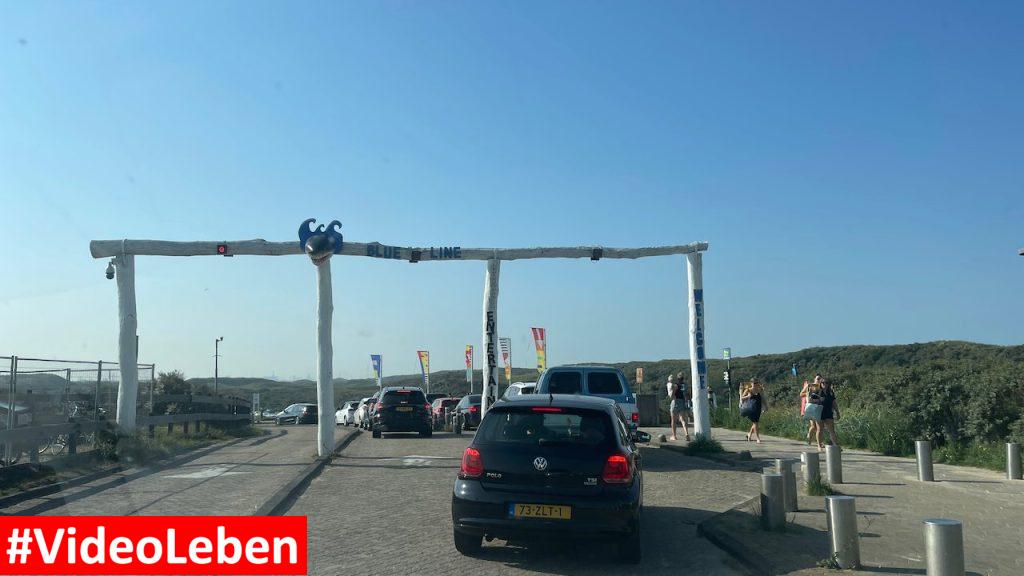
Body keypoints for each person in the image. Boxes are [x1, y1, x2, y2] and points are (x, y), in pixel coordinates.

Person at [815, 377, 840, 450]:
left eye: (826, 383)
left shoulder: (831, 392)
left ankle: (835, 445)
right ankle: (819, 445)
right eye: (823, 383)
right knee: (820, 429)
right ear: (820, 383)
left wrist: (837, 412)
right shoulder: (817, 391)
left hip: (829, 412)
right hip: (819, 412)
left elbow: (834, 403)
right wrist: (819, 399)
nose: (825, 384)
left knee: (832, 430)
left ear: (828, 384)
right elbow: (811, 400)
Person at [666, 373, 691, 441]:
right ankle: (686, 433)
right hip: (683, 402)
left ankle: (674, 436)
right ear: (683, 378)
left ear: (677, 378)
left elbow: (672, 396)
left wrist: (673, 391)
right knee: (683, 419)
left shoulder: (675, 385)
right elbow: (688, 395)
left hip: (675, 402)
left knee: (673, 420)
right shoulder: (685, 385)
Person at [740, 378, 765, 443]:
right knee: (756, 423)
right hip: (751, 409)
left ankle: (749, 435)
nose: (756, 384)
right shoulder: (748, 390)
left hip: (758, 408)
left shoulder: (759, 390)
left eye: (757, 383)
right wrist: (748, 396)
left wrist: (766, 406)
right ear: (751, 383)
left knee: (755, 423)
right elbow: (742, 398)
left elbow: (763, 398)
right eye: (754, 383)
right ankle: (758, 438)